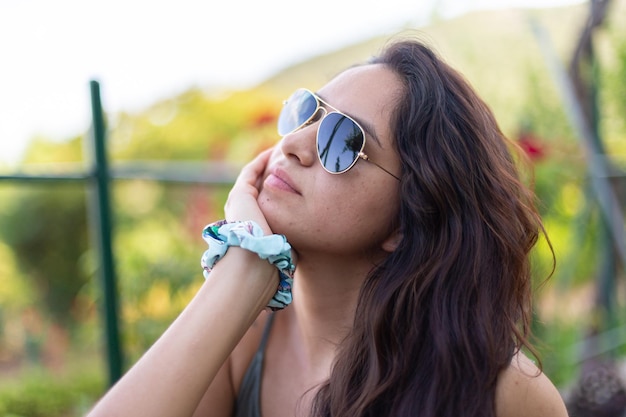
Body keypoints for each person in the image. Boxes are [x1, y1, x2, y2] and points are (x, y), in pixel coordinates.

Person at [87, 36, 568, 417]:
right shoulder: (243, 339)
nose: (295, 144)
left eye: (343, 141)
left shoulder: (504, 394)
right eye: (306, 112)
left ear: (409, 216)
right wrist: (245, 265)